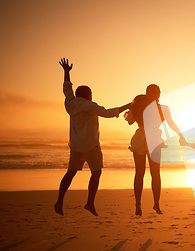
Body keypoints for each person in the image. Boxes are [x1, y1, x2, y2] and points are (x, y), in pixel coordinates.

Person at [54, 58, 131, 216]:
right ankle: (89, 202)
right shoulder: (90, 105)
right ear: (88, 95)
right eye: (91, 94)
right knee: (96, 173)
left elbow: (67, 89)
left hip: (76, 146)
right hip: (90, 146)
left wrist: (66, 72)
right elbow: (108, 113)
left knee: (70, 173)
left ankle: (59, 201)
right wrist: (127, 106)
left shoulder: (70, 103)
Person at [125, 84, 186, 216]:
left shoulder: (139, 105)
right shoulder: (163, 108)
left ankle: (138, 205)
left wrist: (133, 107)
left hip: (140, 138)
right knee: (155, 174)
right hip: (154, 139)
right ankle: (156, 204)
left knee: (139, 173)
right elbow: (171, 123)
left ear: (147, 93)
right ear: (158, 94)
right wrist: (180, 135)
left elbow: (129, 121)